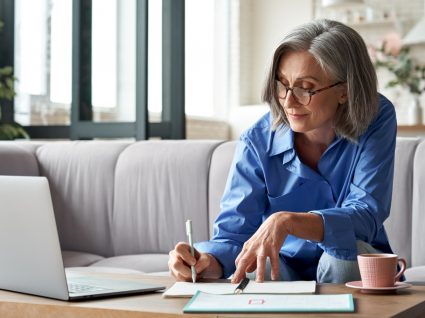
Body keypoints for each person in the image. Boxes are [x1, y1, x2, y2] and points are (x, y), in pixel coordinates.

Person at [168, 19, 397, 284]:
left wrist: (288, 221)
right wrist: (206, 263)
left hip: (350, 262)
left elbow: (366, 213)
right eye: (282, 85)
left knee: (342, 258)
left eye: (305, 88)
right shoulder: (256, 140)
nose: (288, 102)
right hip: (283, 265)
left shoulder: (376, 117)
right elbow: (234, 235)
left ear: (344, 91)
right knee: (257, 266)